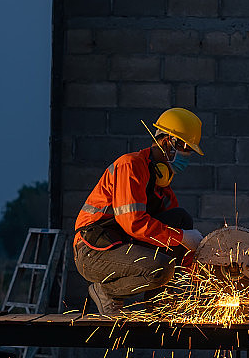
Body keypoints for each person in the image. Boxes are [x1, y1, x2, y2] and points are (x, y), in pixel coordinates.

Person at [74, 107, 205, 315]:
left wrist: (202, 274)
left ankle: (159, 304)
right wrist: (181, 237)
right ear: (167, 142)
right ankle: (106, 291)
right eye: (186, 148)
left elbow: (175, 243)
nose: (188, 155)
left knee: (180, 219)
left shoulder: (162, 187)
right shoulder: (130, 166)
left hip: (123, 243)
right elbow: (133, 223)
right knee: (161, 267)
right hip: (93, 251)